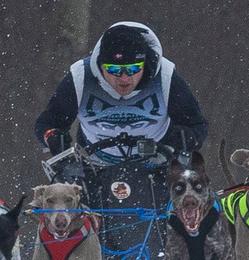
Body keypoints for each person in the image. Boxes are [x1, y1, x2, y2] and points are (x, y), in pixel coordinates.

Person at [32, 21, 208, 178]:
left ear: (144, 64)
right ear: (101, 66)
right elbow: (46, 123)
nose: (124, 79)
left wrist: (186, 139)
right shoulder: (80, 78)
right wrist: (53, 137)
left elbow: (197, 125)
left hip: (157, 165)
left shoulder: (165, 77)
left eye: (133, 69)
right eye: (114, 70)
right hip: (95, 166)